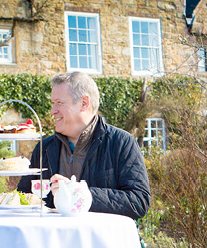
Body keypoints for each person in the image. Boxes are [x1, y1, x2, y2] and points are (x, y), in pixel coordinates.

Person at [18, 72, 150, 219]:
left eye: (59, 103)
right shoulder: (44, 148)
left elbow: (139, 201)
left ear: (84, 103)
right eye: (52, 103)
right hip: (53, 240)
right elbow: (24, 197)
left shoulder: (122, 143)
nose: (52, 110)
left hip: (100, 240)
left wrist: (79, 193)